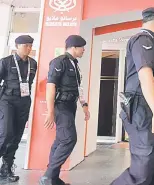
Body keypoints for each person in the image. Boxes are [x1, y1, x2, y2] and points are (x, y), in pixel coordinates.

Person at [110, 7, 154, 185]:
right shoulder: (143, 39)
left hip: (150, 107)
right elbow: (145, 75)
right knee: (144, 168)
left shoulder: (152, 42)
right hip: (144, 110)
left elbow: (152, 76)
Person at [39, 35, 90, 185]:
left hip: (70, 105)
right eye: (82, 47)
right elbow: (51, 87)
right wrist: (50, 111)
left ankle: (52, 177)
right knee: (69, 139)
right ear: (74, 47)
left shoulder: (75, 64)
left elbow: (78, 88)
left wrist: (84, 105)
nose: (83, 50)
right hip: (60, 105)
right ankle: (48, 176)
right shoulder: (59, 62)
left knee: (61, 139)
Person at [0, 35, 37, 183]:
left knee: (16, 137)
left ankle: (6, 169)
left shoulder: (33, 63)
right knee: (6, 133)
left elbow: (29, 82)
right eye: (25, 45)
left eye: (30, 45)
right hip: (7, 101)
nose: (28, 48)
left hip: (24, 102)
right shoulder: (6, 62)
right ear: (17, 46)